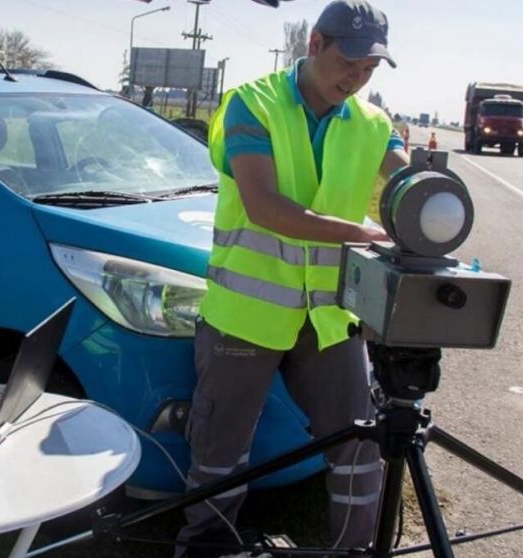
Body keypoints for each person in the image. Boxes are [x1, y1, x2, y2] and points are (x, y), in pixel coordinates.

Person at [176, 1, 409, 557]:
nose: (356, 79)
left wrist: (427, 199)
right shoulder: (251, 106)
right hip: (245, 314)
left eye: (369, 69)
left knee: (359, 444)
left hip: (329, 318)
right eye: (349, 61)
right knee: (221, 450)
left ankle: (354, 551)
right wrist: (365, 234)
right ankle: (206, 546)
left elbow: (406, 179)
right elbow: (264, 207)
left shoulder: (372, 124)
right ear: (315, 44)